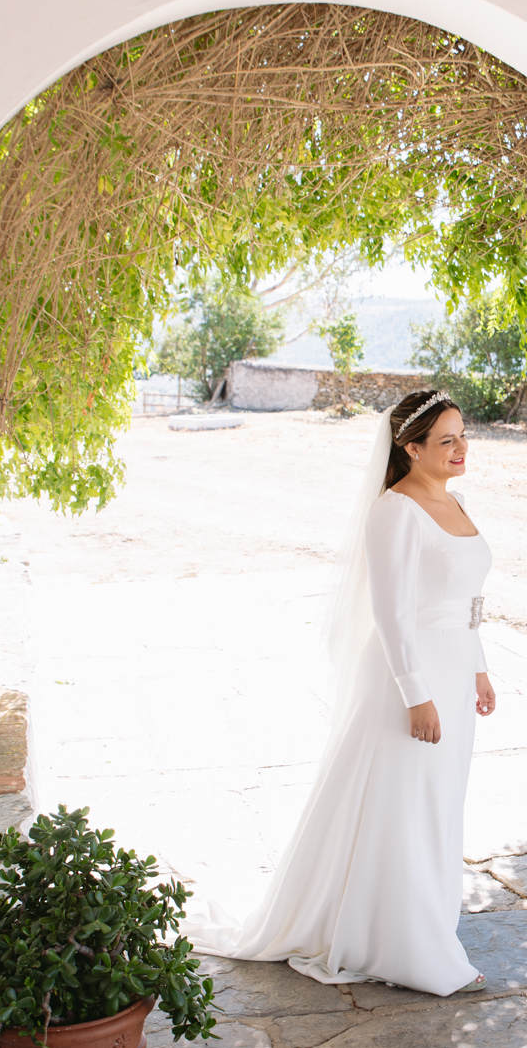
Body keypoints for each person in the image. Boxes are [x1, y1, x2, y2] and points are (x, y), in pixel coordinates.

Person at [185, 390, 496, 996]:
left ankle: (428, 923)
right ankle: (400, 943)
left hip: (457, 673)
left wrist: (479, 667)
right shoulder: (395, 511)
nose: (461, 448)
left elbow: (466, 602)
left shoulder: (455, 501)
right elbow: (391, 612)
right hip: (412, 678)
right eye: (447, 440)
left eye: (463, 435)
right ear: (411, 449)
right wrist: (415, 693)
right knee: (403, 802)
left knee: (438, 802)